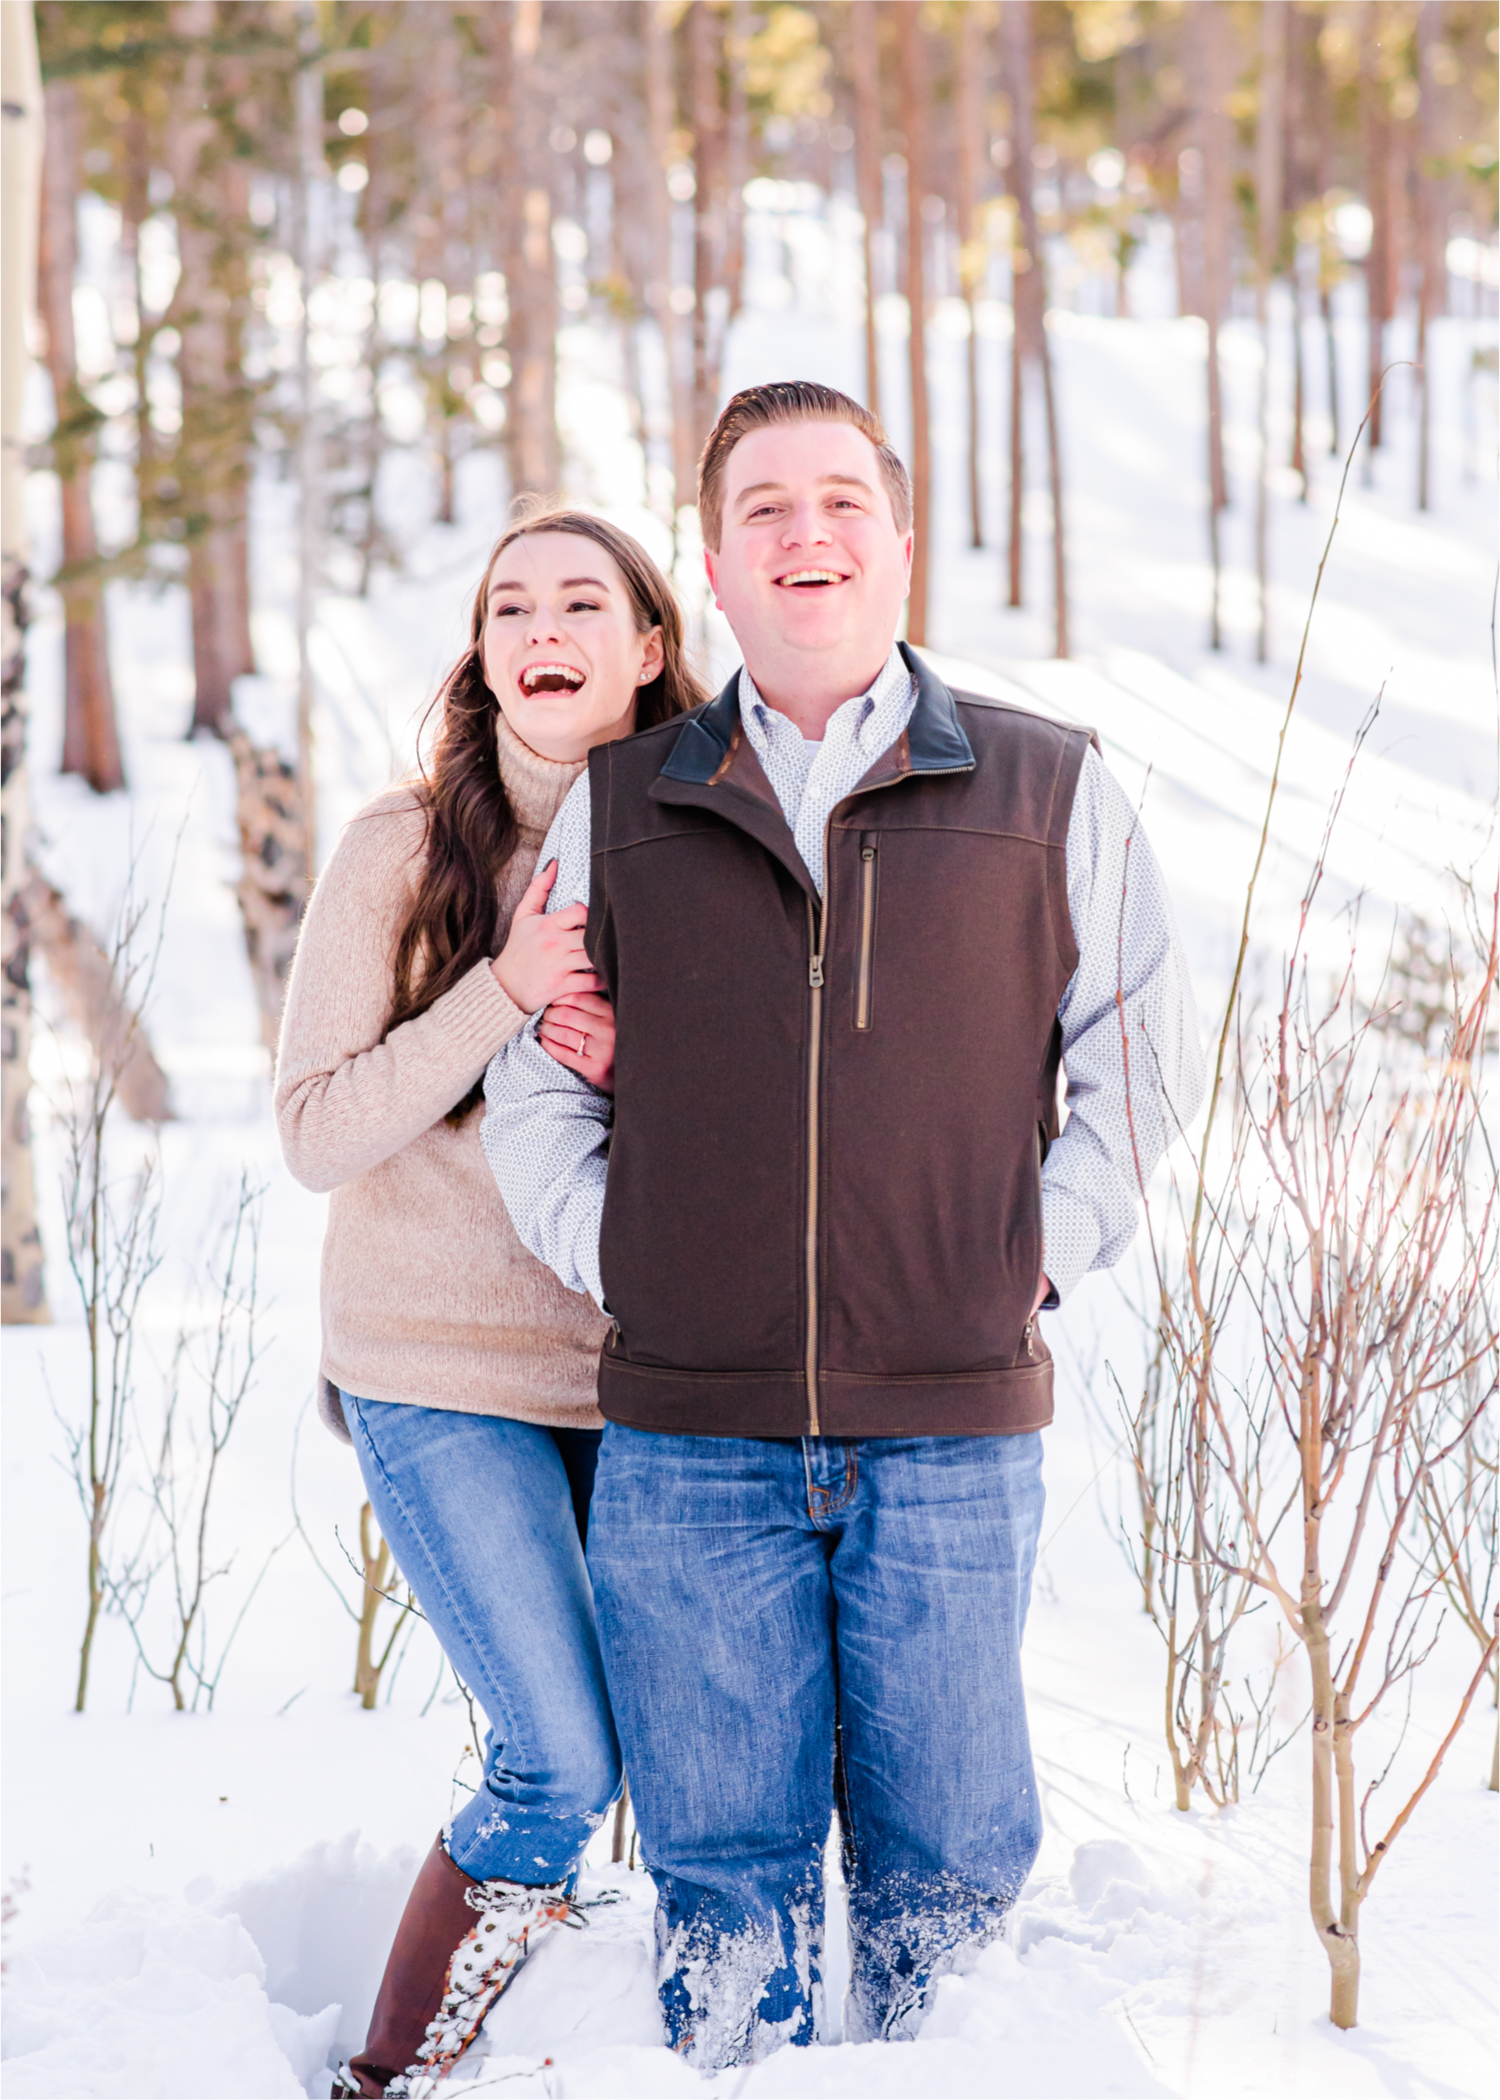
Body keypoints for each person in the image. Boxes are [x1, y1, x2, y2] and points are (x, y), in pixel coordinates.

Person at [482, 382, 1206, 2069]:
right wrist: (627, 1252)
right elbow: (538, 1081)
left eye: (839, 503)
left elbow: (1140, 1065)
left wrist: (1036, 1255)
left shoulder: (1049, 787)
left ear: (897, 541)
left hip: (950, 1431)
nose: (805, 534)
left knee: (946, 1881)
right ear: (715, 571)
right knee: (723, 1885)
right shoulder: (622, 799)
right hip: (687, 1436)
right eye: (762, 510)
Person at [274, 508, 705, 2098]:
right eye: (509, 603)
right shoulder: (403, 846)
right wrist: (502, 992)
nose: (544, 624)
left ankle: (614, 2039)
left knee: (695, 1758)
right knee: (560, 1759)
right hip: (435, 1367)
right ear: (483, 649)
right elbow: (316, 1128)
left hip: (642, 1373)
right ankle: (390, 2070)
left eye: (583, 599)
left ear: (649, 648)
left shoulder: (718, 838)